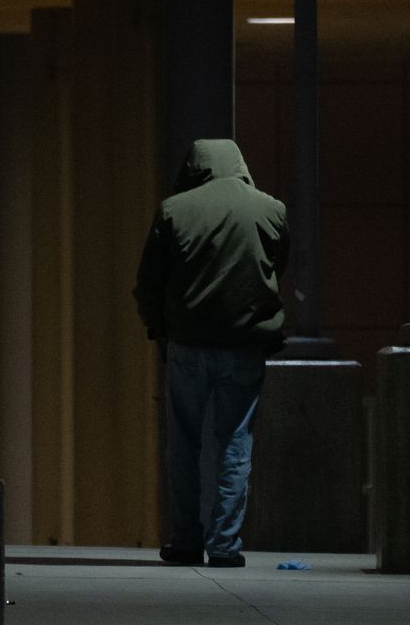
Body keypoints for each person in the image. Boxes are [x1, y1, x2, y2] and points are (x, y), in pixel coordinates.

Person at [133, 139, 289, 568]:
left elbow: (148, 282)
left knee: (184, 442)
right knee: (236, 443)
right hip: (245, 346)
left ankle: (186, 539)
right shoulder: (270, 209)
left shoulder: (173, 210)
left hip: (188, 345)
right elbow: (276, 269)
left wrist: (159, 329)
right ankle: (225, 544)